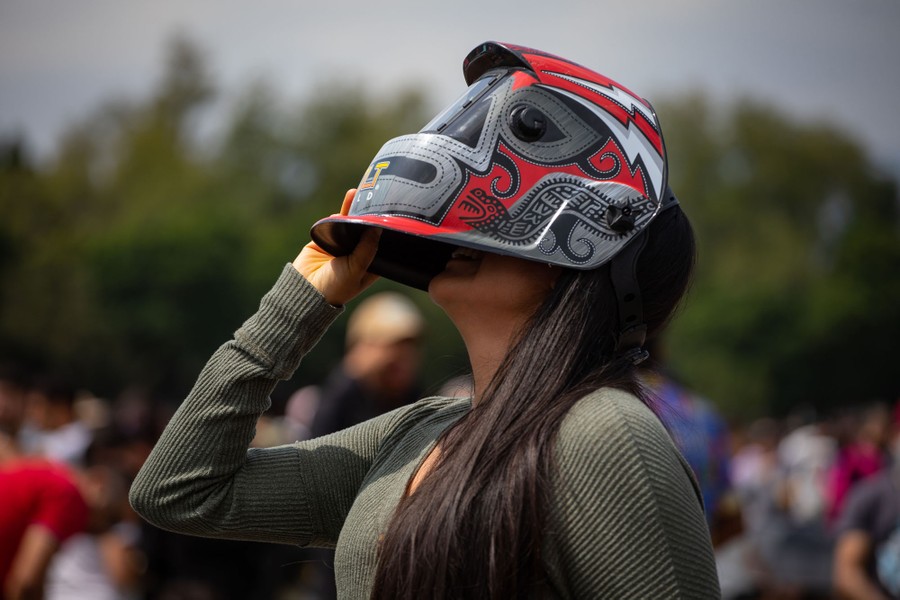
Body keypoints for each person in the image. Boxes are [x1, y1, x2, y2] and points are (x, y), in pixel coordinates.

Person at [130, 42, 720, 598]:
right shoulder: (417, 433)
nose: (463, 232)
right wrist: (299, 303)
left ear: (592, 241)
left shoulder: (603, 432)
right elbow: (180, 490)